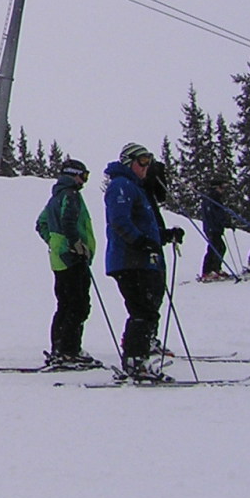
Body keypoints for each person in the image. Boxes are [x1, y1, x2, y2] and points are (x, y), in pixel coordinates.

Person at [104, 143, 168, 380]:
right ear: (128, 162)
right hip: (130, 260)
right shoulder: (121, 185)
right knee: (141, 309)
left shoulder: (135, 187)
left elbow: (143, 225)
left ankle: (138, 357)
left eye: (148, 161)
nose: (146, 166)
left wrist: (164, 236)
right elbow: (119, 220)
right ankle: (134, 361)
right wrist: (140, 242)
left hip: (140, 259)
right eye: (142, 161)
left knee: (147, 309)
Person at [34, 158, 98, 368]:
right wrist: (75, 244)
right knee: (78, 304)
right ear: (74, 174)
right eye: (84, 175)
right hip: (72, 257)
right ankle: (69, 350)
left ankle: (60, 348)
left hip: (59, 258)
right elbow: (68, 221)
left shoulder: (56, 196)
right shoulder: (70, 195)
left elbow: (41, 223)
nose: (84, 181)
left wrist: (54, 241)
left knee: (65, 303)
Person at [199, 177, 234, 281]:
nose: (223, 190)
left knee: (219, 247)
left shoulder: (215, 197)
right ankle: (207, 271)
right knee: (215, 248)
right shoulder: (212, 197)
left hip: (215, 227)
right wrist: (223, 221)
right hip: (212, 227)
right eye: (222, 187)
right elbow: (215, 213)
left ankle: (215, 268)